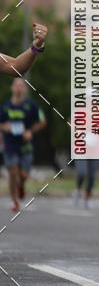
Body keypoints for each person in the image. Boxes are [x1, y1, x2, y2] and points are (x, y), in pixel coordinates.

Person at [0, 77, 47, 211]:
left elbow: (42, 121)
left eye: (21, 86)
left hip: (25, 144)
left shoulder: (32, 105)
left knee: (23, 175)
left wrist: (30, 131)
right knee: (13, 172)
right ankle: (14, 201)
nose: (19, 88)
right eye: (16, 85)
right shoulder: (5, 106)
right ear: (12, 88)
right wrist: (5, 127)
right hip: (9, 143)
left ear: (25, 89)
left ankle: (21, 184)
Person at [73, 101, 99, 210]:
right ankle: (79, 189)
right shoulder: (79, 111)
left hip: (95, 150)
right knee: (82, 173)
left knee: (92, 177)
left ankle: (87, 199)